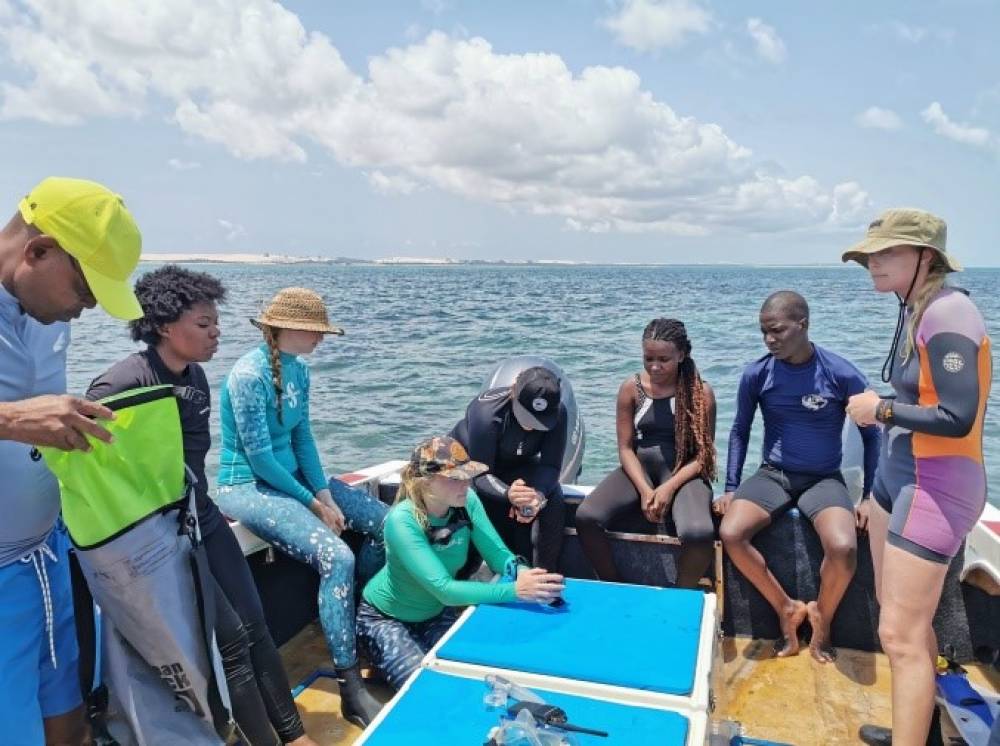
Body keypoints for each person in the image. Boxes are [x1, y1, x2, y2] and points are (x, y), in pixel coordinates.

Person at [82, 266, 315, 745]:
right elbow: (93, 477)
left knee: (256, 624)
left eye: (216, 323)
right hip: (155, 535)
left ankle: (293, 735)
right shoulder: (120, 385)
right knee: (229, 641)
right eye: (204, 324)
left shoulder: (196, 377)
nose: (216, 333)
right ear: (166, 326)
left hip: (201, 515)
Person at [0, 177, 141, 745]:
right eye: (84, 291)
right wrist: (9, 420)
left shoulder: (43, 311)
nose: (85, 310)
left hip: (47, 554)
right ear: (38, 251)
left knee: (70, 718)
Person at [843, 209, 991, 745]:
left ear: (926, 258)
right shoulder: (916, 308)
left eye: (886, 253)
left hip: (937, 484)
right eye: (870, 255)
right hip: (896, 478)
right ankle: (918, 730)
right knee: (903, 623)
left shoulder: (949, 312)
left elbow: (957, 417)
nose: (872, 264)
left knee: (898, 636)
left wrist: (877, 410)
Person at [215, 287, 388, 728]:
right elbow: (259, 459)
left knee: (386, 523)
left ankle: (366, 624)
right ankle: (350, 687)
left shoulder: (300, 372)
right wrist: (312, 502)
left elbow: (302, 439)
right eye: (316, 331)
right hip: (249, 486)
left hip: (293, 481)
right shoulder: (248, 376)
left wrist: (326, 495)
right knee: (337, 556)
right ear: (289, 329)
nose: (321, 340)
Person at [716, 290, 880, 663]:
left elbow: (873, 435)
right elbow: (740, 430)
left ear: (802, 325)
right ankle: (786, 608)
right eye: (763, 332)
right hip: (773, 475)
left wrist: (869, 495)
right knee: (731, 532)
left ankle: (822, 616)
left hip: (823, 479)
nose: (769, 340)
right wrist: (730, 487)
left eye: (777, 331)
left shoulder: (839, 373)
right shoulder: (757, 373)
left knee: (843, 548)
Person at [357, 436, 565, 689]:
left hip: (435, 613)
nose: (465, 484)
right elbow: (444, 590)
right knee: (424, 688)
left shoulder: (467, 502)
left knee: (476, 673)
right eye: (455, 478)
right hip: (386, 618)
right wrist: (515, 591)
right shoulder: (402, 521)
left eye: (467, 476)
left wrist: (521, 572)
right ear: (425, 481)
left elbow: (498, 554)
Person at [576, 318, 717, 588]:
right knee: (586, 517)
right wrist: (644, 490)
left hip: (683, 471)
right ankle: (614, 585)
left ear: (682, 354)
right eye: (648, 358)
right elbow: (626, 448)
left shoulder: (701, 393)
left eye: (663, 359)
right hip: (640, 467)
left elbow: (703, 456)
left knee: (699, 533)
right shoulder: (632, 388)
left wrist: (668, 489)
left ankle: (681, 592)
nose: (654, 366)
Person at [449, 366, 568, 570]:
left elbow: (550, 465)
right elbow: (481, 473)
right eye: (526, 417)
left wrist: (536, 497)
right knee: (487, 504)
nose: (530, 427)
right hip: (472, 465)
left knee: (553, 496)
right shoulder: (486, 413)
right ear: (513, 391)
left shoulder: (558, 413)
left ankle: (543, 574)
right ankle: (471, 570)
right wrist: (508, 494)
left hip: (514, 464)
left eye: (540, 422)